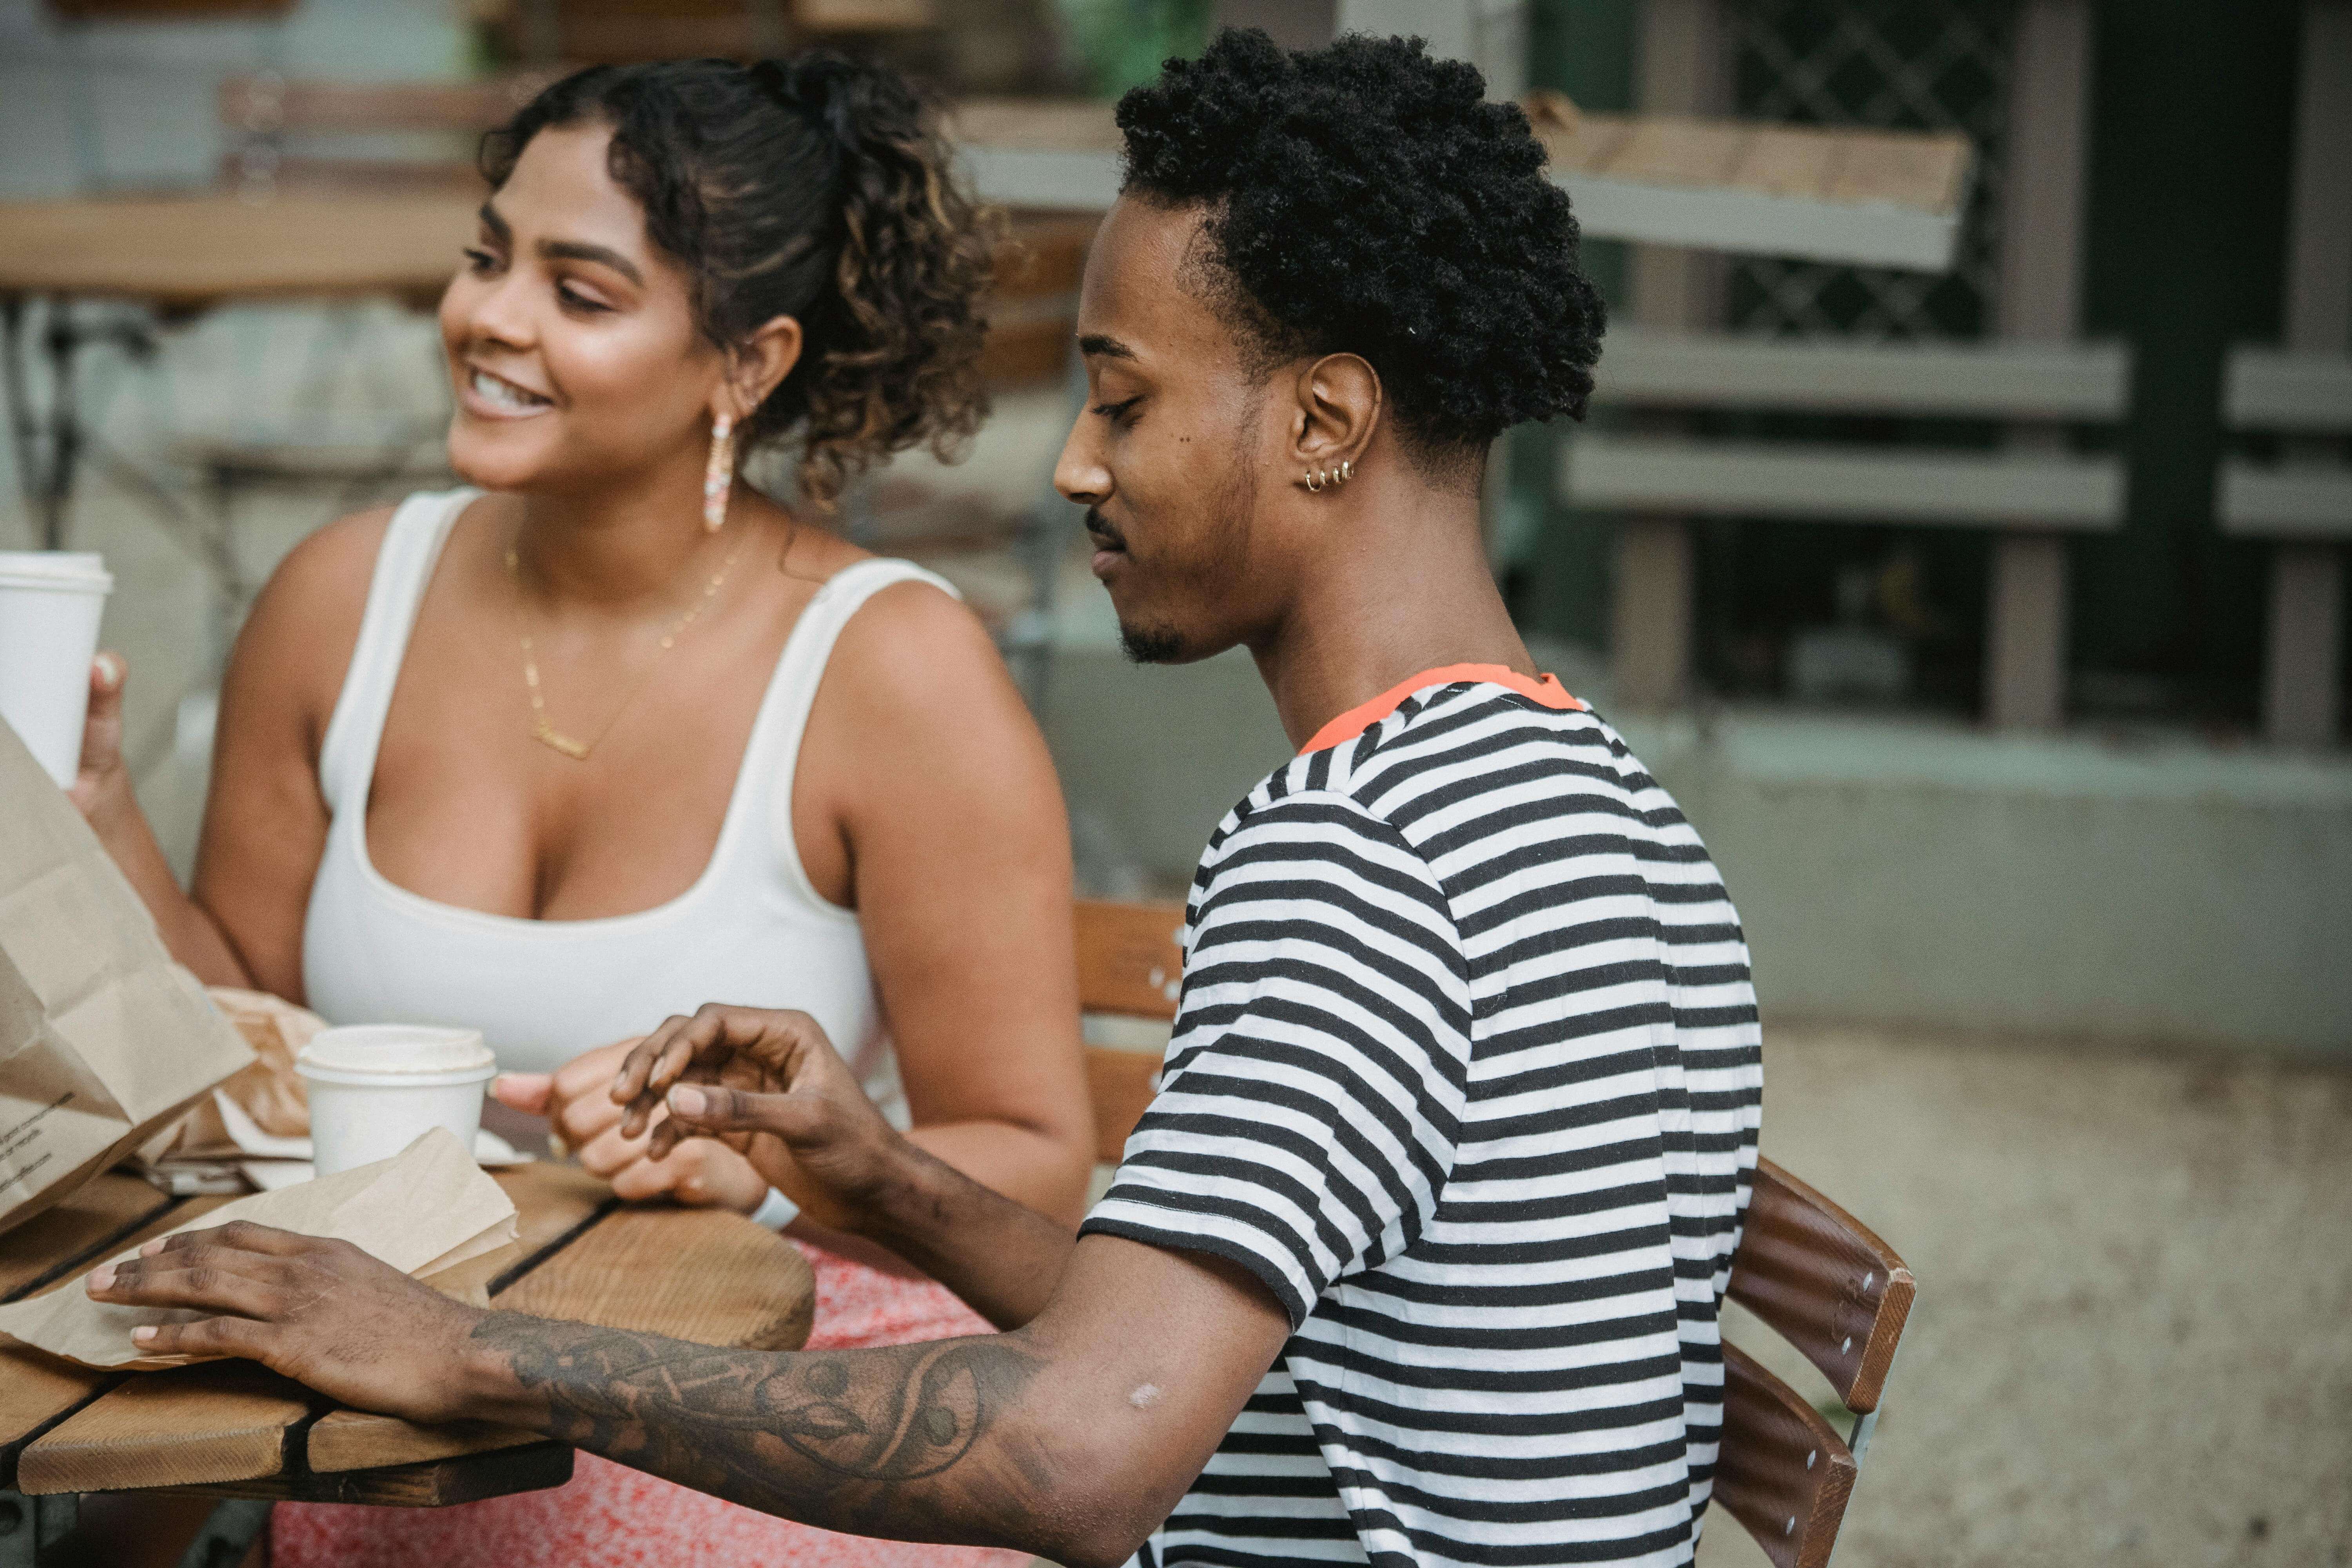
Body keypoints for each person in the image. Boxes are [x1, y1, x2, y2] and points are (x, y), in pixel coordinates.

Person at [91, 30, 1765, 1568]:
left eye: (1123, 400)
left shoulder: (1357, 857)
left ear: (1324, 420)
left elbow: (1079, 1455)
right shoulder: (1596, 807)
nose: (1075, 465)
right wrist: (874, 1171)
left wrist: (460, 1346)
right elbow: (1166, 1334)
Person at [71, 55, 1089, 1568]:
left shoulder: (892, 672)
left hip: (773, 1376)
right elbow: (255, 1051)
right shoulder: (344, 600)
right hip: (395, 1387)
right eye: (489, 255)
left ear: (748, 364)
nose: (489, 318)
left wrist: (774, 1164)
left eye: (582, 291)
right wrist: (96, 814)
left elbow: (1035, 1157)